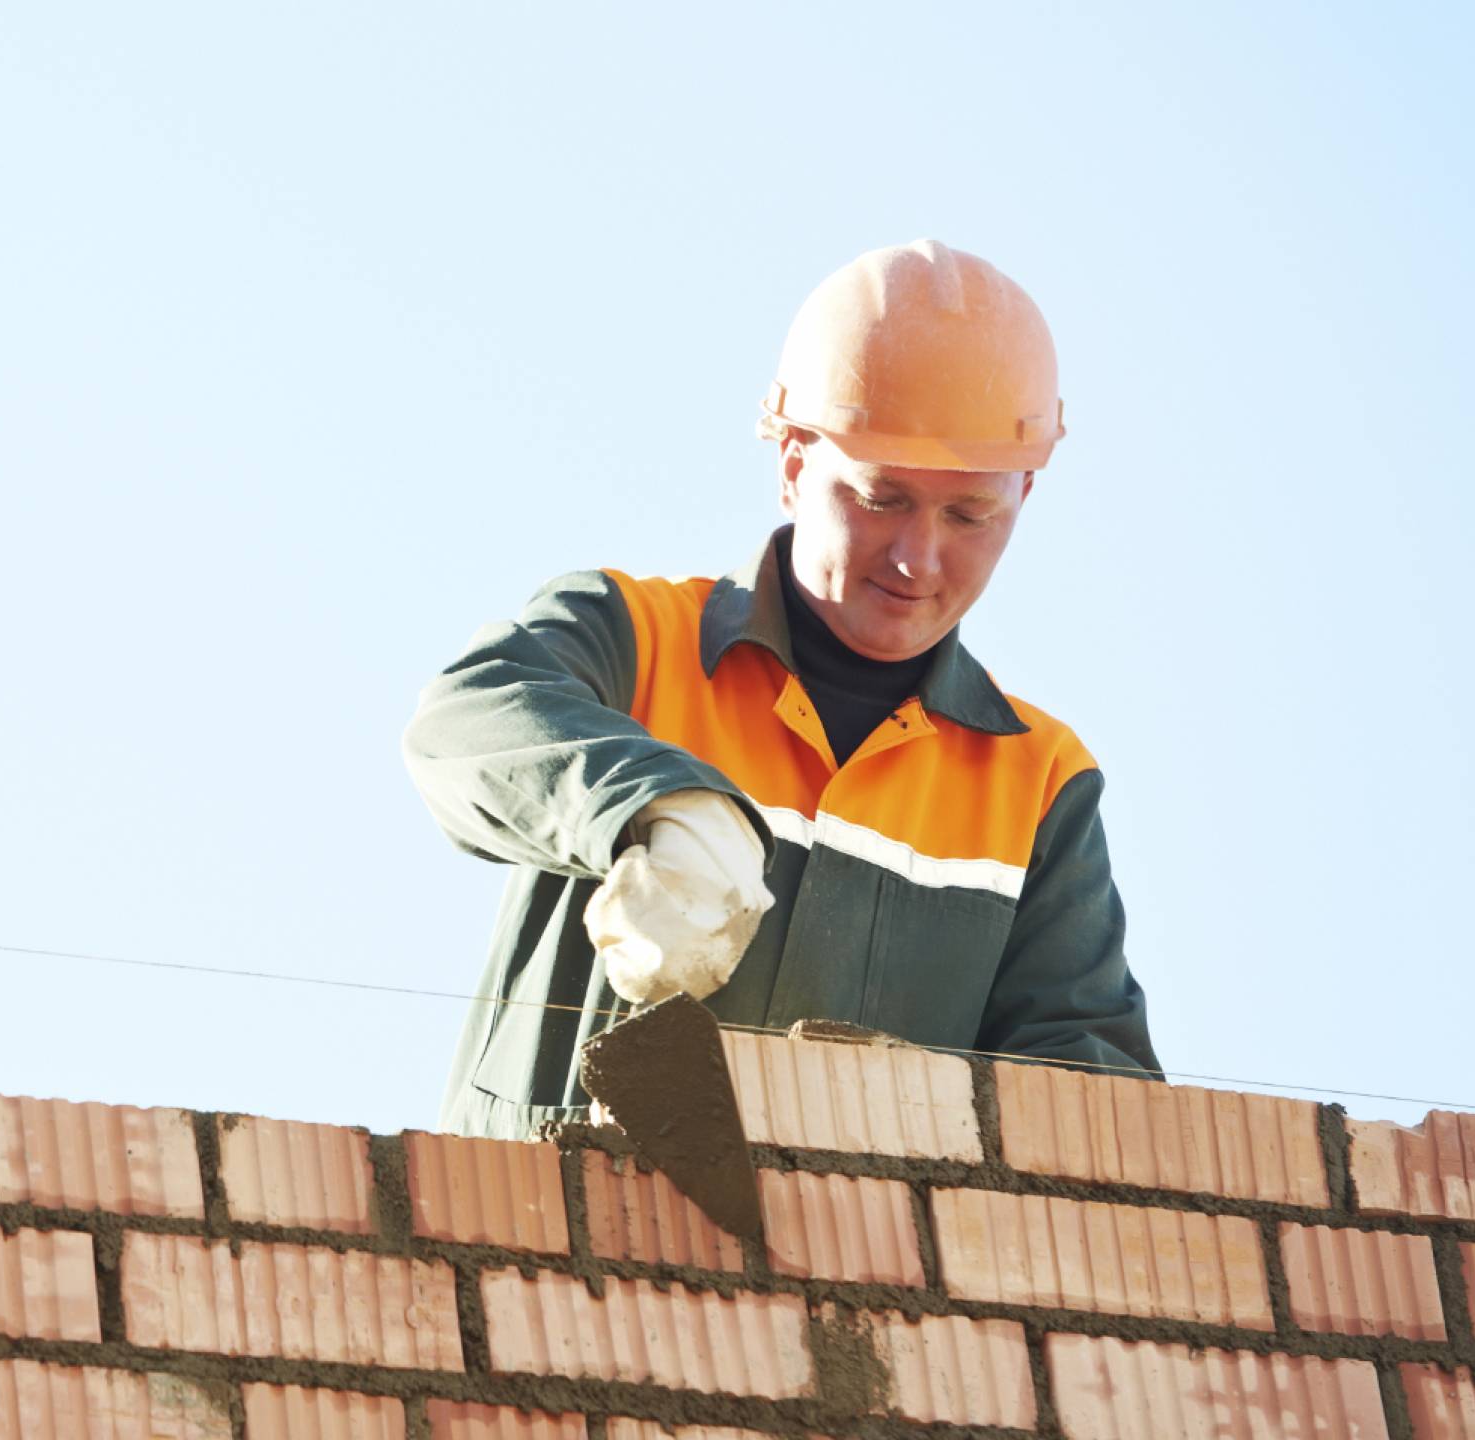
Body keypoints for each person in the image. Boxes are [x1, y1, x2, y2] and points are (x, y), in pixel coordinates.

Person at [405, 239, 1159, 1141]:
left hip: (848, 1275)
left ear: (1024, 496)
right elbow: (464, 719)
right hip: (540, 1245)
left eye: (969, 516)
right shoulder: (633, 639)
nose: (919, 557)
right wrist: (659, 806)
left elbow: (1094, 1101)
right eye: (883, 499)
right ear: (796, 462)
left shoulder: (1035, 785)